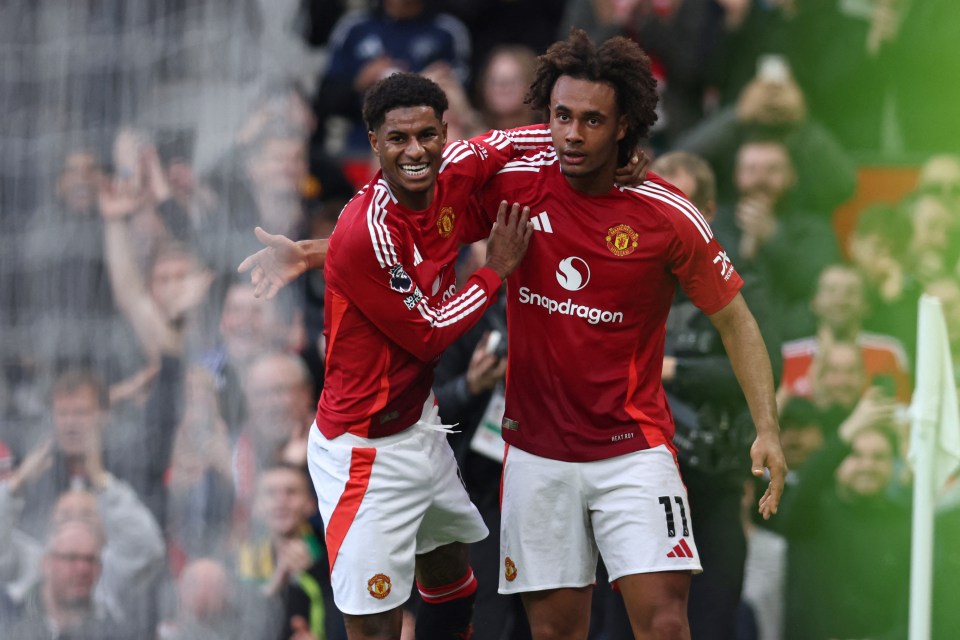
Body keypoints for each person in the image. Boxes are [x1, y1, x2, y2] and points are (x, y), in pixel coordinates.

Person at [241, 34, 785, 638]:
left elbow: (735, 316)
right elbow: (406, 241)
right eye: (562, 117)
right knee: (550, 631)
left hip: (634, 449)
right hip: (533, 453)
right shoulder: (514, 187)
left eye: (593, 121)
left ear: (623, 125)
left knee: (662, 622)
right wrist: (323, 253)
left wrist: (767, 426)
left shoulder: (666, 212)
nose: (573, 134)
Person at [241, 72, 534, 640]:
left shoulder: (451, 170)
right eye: (398, 138)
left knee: (455, 585)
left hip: (417, 426)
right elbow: (428, 333)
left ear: (445, 132)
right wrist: (496, 267)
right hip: (362, 452)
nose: (416, 149)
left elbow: (515, 141)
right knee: (374, 628)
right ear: (373, 142)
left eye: (427, 134)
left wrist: (615, 154)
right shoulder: (364, 228)